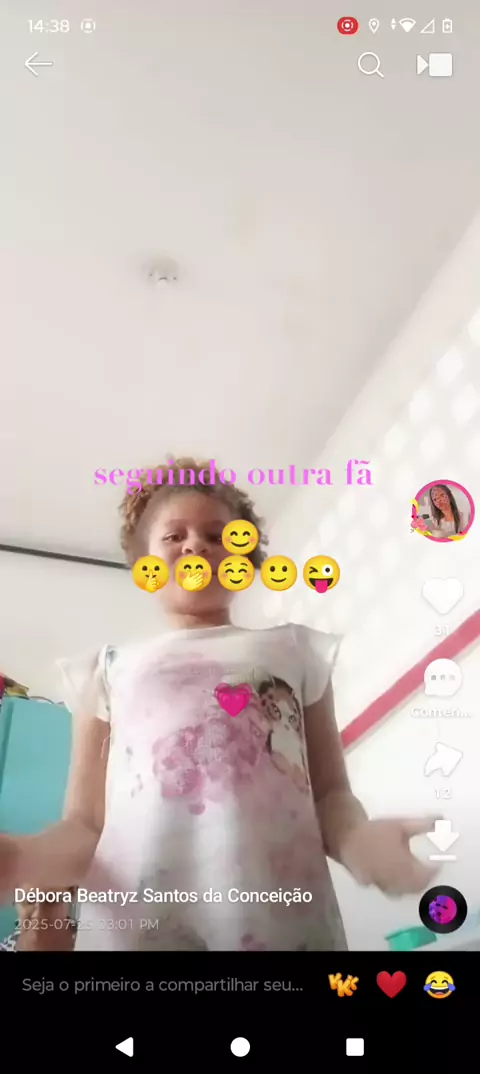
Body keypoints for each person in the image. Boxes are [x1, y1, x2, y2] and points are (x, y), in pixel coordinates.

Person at [0, 457, 440, 952]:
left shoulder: (296, 650)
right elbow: (84, 826)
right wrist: (22, 858)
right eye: (174, 536)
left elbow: (330, 795)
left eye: (218, 535)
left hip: (282, 923)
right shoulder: (105, 670)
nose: (196, 546)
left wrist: (359, 842)